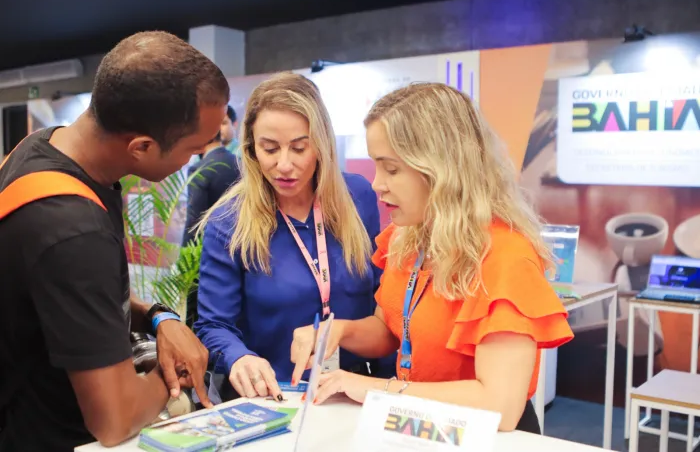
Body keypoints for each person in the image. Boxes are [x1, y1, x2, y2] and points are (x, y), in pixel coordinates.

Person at [290, 83, 574, 433]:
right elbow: (392, 330)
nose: (377, 184)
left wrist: (376, 389)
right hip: (424, 426)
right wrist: (339, 331)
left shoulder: (506, 257)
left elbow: (500, 406)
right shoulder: (408, 237)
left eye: (392, 169)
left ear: (442, 169)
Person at [0, 31, 230, 452]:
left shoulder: (43, 147)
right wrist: (174, 373)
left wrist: (159, 317)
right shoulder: (73, 228)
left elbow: (82, 298)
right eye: (193, 149)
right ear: (141, 147)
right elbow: (115, 418)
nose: (197, 159)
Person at [194, 72, 387, 401]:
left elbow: (384, 301)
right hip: (275, 396)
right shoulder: (230, 221)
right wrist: (239, 357)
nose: (284, 165)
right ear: (251, 148)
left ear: (321, 145)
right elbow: (214, 325)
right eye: (270, 149)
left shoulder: (358, 197)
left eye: (299, 148)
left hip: (355, 392)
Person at [182, 130, 241, 328]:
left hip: (206, 252)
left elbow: (194, 221)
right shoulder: (239, 162)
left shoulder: (200, 168)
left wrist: (184, 261)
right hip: (239, 247)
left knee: (203, 317)